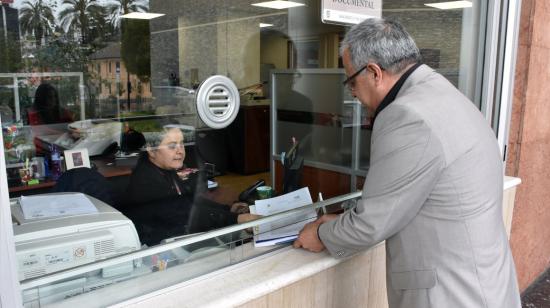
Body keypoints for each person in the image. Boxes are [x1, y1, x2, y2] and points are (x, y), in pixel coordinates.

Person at [293, 18, 521, 308]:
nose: (351, 92)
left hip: (452, 295)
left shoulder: (407, 115)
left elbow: (371, 224)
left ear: (374, 72)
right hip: (485, 282)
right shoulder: (443, 93)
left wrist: (321, 234)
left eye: (351, 80)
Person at [125, 126, 256, 245]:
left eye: (182, 144)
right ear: (152, 150)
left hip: (178, 234)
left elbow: (189, 202)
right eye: (172, 146)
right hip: (161, 247)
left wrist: (228, 208)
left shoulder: (165, 170)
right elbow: (186, 214)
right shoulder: (146, 181)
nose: (180, 151)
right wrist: (237, 219)